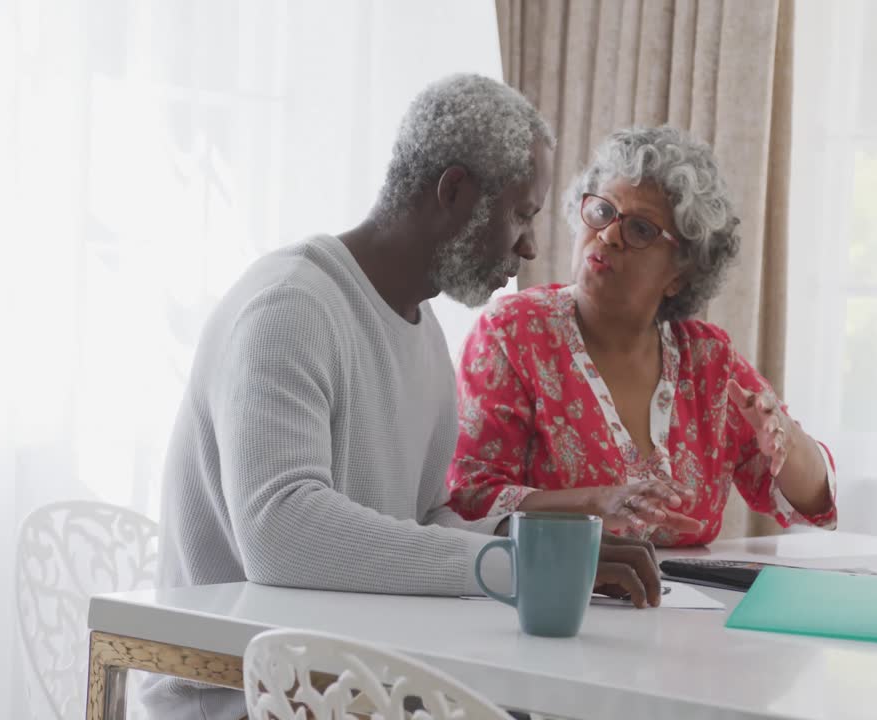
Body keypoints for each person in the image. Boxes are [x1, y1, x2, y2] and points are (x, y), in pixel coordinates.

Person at [143, 75, 662, 720]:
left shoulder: (423, 335)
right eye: (521, 214)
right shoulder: (290, 306)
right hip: (240, 699)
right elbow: (280, 531)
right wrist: (509, 563)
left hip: (345, 682)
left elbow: (419, 522)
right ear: (454, 192)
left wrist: (525, 541)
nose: (530, 245)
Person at [446, 126, 838, 547]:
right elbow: (471, 498)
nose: (609, 235)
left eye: (640, 230)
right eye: (602, 212)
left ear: (681, 272)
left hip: (685, 610)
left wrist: (787, 437)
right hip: (557, 600)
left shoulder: (707, 358)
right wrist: (596, 505)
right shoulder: (513, 333)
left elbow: (814, 506)